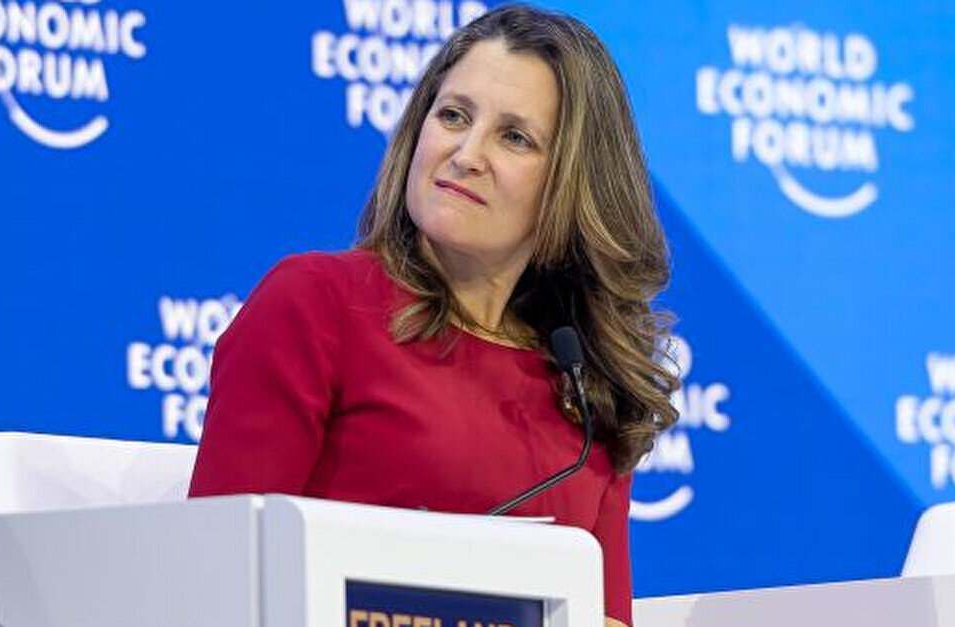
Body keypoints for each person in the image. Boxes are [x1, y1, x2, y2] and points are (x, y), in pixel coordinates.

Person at [188, 5, 680, 626]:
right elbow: (219, 577)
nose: (466, 154)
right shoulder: (316, 304)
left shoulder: (585, 381)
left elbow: (605, 618)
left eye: (514, 137)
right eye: (453, 116)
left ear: (575, 182)